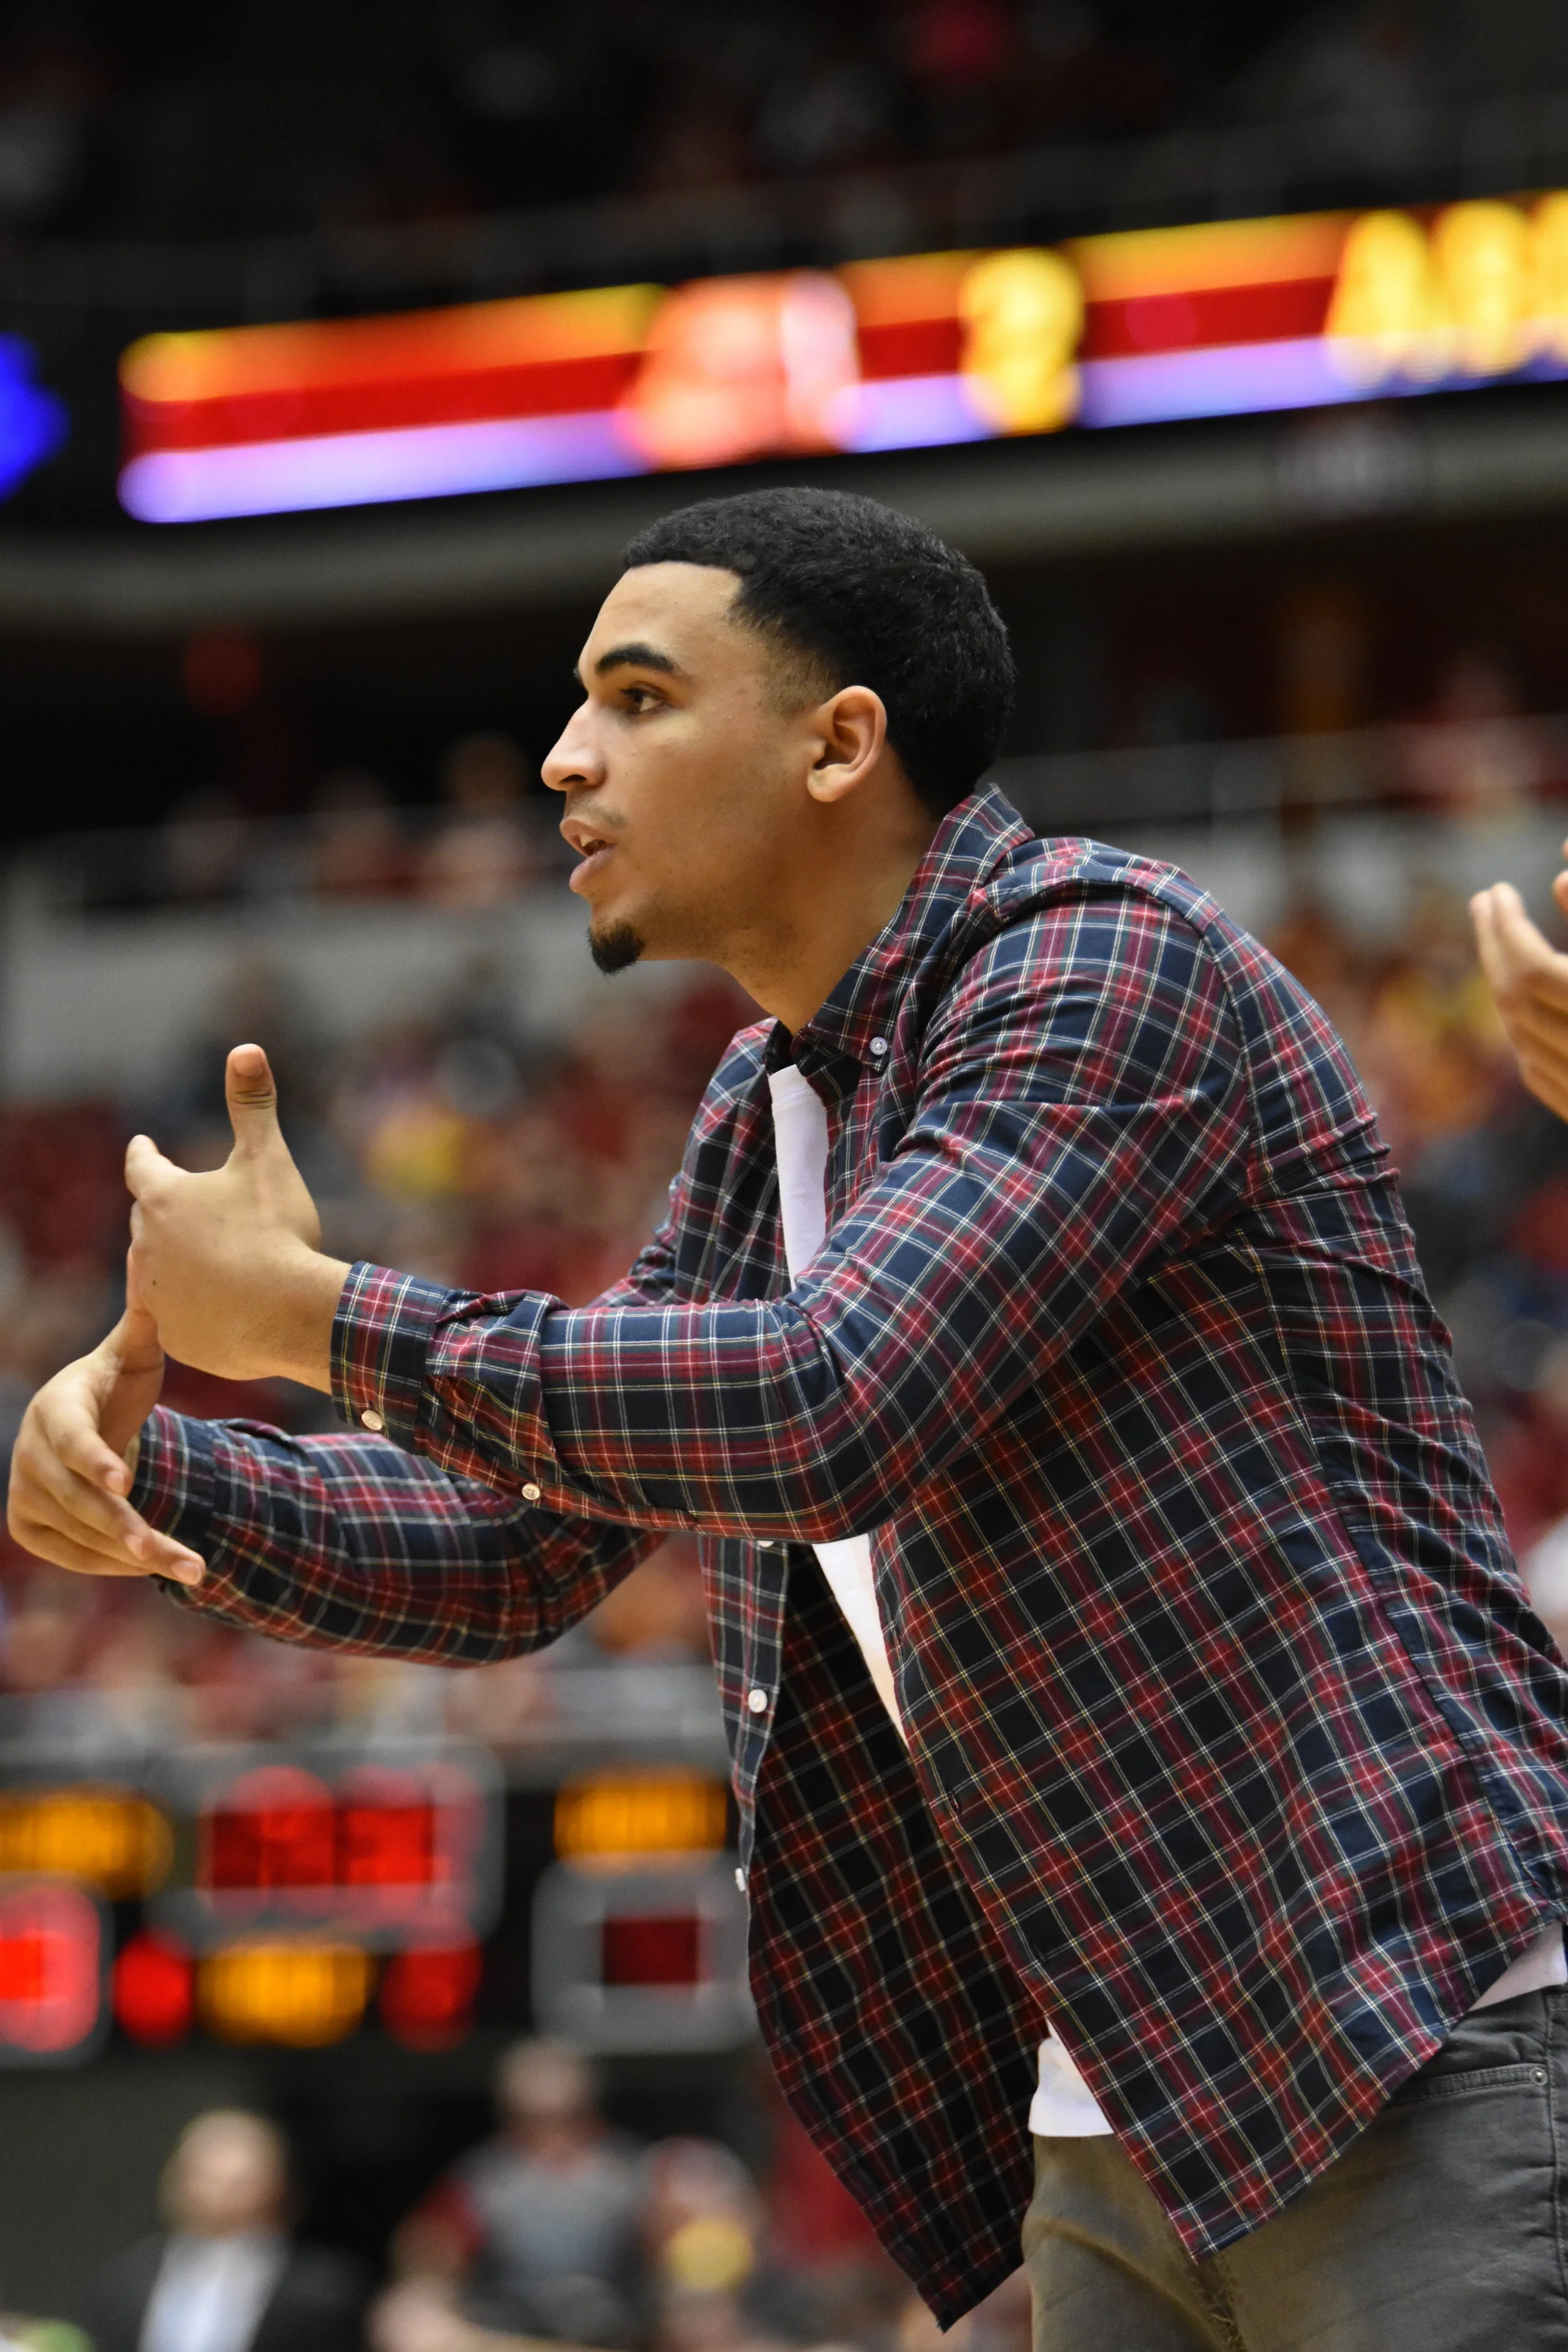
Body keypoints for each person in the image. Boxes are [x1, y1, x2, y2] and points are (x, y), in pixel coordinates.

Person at [13, 486, 1568, 2350]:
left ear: (840, 740)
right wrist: (140, 1472)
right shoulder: (766, 1108)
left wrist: (330, 1318)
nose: (564, 756)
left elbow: (828, 1400)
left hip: (1409, 2019)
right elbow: (521, 1540)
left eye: (639, 697)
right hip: (1117, 2096)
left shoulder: (1096, 961)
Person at [392, 2038, 646, 2344]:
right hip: (504, 2325)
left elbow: (678, 2250)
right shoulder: (484, 2177)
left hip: (610, 2322)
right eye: (535, 2120)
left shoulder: (629, 2171)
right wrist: (430, 2270)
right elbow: (427, 2252)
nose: (552, 2136)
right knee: (408, 2317)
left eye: (565, 2118)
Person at [91, 2107, 368, 2352]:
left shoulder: (323, 2291)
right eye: (207, 2177)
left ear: (275, 2185)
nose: (220, 2195)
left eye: (239, 2181)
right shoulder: (129, 2281)